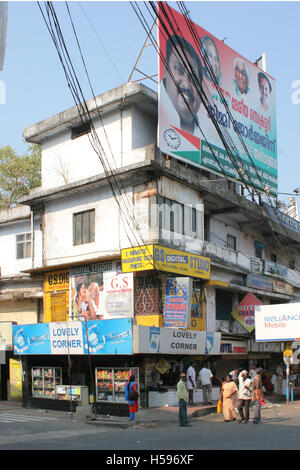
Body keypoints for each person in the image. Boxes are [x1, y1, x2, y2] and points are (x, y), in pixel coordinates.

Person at [162, 35, 203, 135]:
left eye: (194, 78)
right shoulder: (161, 115)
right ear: (166, 70)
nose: (187, 85)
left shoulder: (209, 134)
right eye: (179, 70)